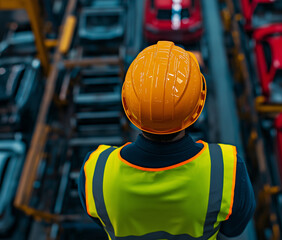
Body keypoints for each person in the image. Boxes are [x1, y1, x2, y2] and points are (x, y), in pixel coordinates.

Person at [78, 41, 255, 240]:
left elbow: (100, 219)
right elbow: (233, 229)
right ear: (197, 106)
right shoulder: (226, 170)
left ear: (128, 105)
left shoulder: (96, 172)